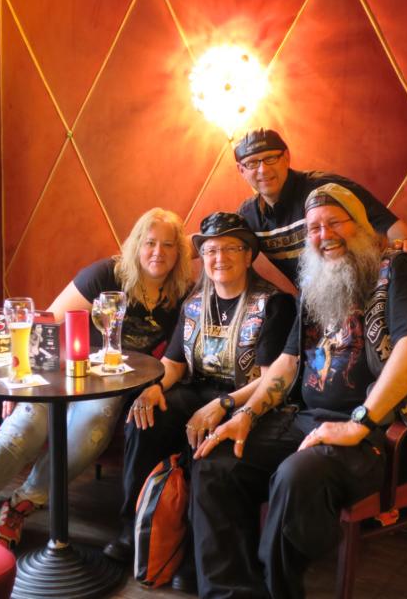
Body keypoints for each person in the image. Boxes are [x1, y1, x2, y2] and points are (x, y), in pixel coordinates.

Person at [192, 183, 407, 598]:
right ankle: (229, 593)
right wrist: (246, 415)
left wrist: (359, 423)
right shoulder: (313, 282)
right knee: (215, 462)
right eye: (313, 228)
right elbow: (288, 362)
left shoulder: (398, 270)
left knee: (296, 476)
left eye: (334, 223)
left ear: (360, 225)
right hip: (308, 422)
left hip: (376, 435)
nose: (323, 235)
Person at [0, 207, 193, 549]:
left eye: (168, 245)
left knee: (97, 422)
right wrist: (19, 379)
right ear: (136, 244)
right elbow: (45, 322)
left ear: (179, 252)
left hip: (110, 385)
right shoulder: (105, 275)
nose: (158, 252)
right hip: (59, 373)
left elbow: (175, 358)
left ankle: (20, 504)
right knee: (23, 431)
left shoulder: (181, 293)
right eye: (150, 242)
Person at [104, 212, 295, 593]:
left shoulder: (274, 304)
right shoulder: (194, 300)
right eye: (210, 250)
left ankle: (194, 550)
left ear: (248, 255)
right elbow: (174, 364)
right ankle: (134, 527)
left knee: (209, 445)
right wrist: (154, 387)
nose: (219, 258)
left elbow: (268, 379)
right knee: (145, 417)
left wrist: (223, 404)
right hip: (197, 389)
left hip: (246, 400)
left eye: (230, 249)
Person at [233, 127, 407, 286]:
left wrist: (404, 250)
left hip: (367, 289)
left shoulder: (327, 187)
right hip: (317, 304)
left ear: (286, 157)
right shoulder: (248, 215)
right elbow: (227, 253)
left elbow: (395, 229)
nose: (263, 170)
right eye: (252, 163)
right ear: (241, 170)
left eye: (270, 158)